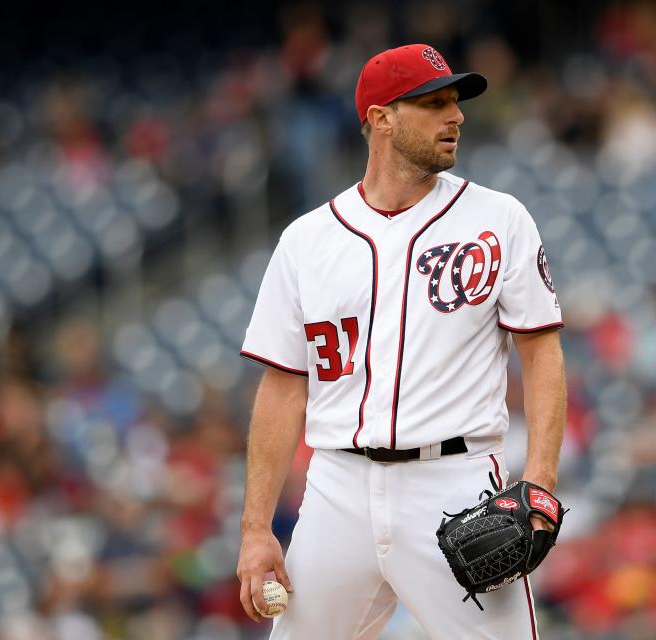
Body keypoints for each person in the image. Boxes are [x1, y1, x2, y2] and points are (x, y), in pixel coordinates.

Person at [236, 43, 567, 639]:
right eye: (434, 102)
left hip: (458, 482)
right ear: (381, 118)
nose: (456, 115)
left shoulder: (498, 220)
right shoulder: (305, 241)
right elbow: (283, 388)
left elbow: (541, 356)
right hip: (337, 488)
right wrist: (256, 529)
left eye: (456, 102)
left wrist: (539, 482)